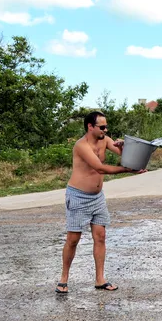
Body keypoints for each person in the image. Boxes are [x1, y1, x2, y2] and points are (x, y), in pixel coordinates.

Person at [55, 111, 146, 294]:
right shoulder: (81, 145)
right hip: (79, 196)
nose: (106, 129)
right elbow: (100, 167)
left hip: (97, 197)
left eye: (106, 126)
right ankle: (64, 278)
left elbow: (124, 155)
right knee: (73, 240)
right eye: (102, 127)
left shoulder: (104, 139)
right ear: (90, 126)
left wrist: (124, 147)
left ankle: (100, 280)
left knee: (101, 236)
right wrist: (127, 170)